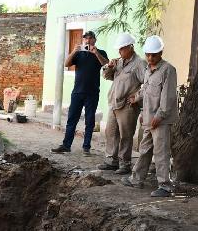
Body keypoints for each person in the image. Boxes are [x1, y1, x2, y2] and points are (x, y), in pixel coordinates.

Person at [122, 35, 178, 197]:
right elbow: (145, 90)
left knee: (161, 153)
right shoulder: (147, 70)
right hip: (148, 118)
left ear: (161, 53)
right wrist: (138, 102)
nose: (150, 58)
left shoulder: (168, 70)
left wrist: (159, 117)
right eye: (148, 55)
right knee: (144, 149)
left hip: (161, 120)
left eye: (154, 55)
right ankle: (136, 179)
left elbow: (168, 97)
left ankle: (165, 186)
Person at [51, 31, 109, 156]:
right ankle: (66, 145)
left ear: (94, 40)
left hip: (92, 93)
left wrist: (96, 53)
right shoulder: (79, 53)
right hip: (77, 92)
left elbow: (106, 64)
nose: (88, 41)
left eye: (90, 38)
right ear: (83, 40)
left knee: (89, 121)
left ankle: (86, 147)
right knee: (72, 119)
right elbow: (66, 64)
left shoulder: (101, 53)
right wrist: (74, 51)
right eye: (85, 39)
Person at [98, 33, 145, 174]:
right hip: (114, 102)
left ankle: (125, 164)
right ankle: (112, 161)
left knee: (126, 135)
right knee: (111, 132)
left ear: (130, 47)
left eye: (122, 49)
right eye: (119, 49)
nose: (119, 52)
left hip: (127, 105)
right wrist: (109, 67)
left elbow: (148, 83)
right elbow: (107, 77)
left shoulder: (139, 63)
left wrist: (137, 97)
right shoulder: (118, 62)